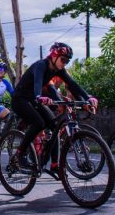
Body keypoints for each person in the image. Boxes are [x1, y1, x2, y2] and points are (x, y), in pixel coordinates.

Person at [11, 42, 98, 170]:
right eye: (63, 60)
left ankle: (54, 165)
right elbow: (38, 82)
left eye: (67, 61)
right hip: (20, 99)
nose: (64, 63)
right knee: (39, 123)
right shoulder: (41, 65)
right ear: (54, 56)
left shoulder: (58, 70)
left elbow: (73, 85)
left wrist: (88, 98)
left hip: (34, 99)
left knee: (54, 127)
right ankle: (19, 154)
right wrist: (39, 96)